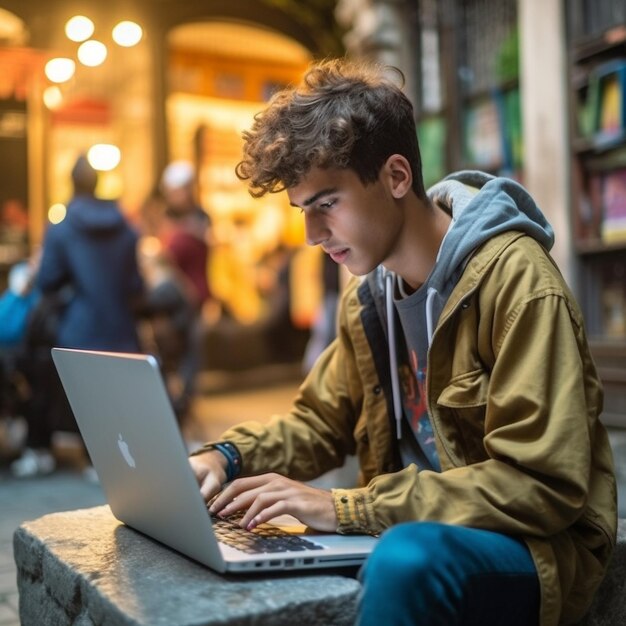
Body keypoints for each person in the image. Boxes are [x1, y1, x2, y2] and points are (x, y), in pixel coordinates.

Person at [187, 58, 617, 626]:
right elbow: (320, 423)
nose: (313, 236)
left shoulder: (518, 282)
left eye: (326, 206)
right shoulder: (369, 297)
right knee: (254, 552)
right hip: (403, 528)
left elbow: (541, 485)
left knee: (405, 559)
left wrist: (346, 508)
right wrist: (227, 457)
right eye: (302, 213)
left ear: (395, 177)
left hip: (532, 547)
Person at [10, 155, 144, 478]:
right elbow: (136, 285)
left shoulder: (62, 227)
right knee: (110, 395)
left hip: (77, 331)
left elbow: (47, 280)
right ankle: (104, 458)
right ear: (98, 184)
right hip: (121, 330)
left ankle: (40, 450)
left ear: (71, 184)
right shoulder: (125, 226)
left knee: (38, 364)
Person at [159, 161, 211, 420]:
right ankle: (176, 404)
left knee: (191, 354)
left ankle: (183, 407)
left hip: (194, 296)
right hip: (175, 300)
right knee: (178, 353)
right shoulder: (169, 217)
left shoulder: (200, 219)